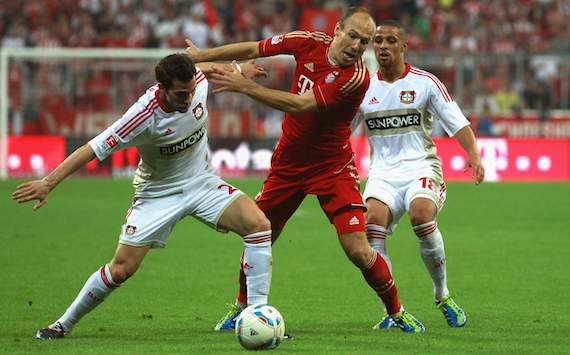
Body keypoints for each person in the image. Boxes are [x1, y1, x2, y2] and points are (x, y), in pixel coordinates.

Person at [186, 7, 425, 333]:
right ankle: (240, 307)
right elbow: (253, 47)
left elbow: (300, 104)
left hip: (332, 168)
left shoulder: (355, 78)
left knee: (357, 248)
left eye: (365, 41)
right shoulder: (305, 42)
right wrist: (203, 54)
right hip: (289, 165)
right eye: (353, 36)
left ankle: (396, 312)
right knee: (259, 234)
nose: (357, 46)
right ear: (337, 29)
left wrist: (244, 86)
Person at [11, 54, 274, 339]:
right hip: (157, 194)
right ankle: (62, 324)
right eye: (180, 94)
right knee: (122, 268)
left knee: (259, 225)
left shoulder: (196, 82)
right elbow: (93, 148)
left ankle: (257, 317)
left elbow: (205, 69)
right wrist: (49, 183)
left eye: (190, 92)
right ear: (161, 87)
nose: (188, 99)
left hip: (201, 182)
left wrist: (238, 69)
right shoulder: (142, 116)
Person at [353, 21, 485, 329]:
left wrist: (474, 154)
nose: (382, 46)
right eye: (378, 41)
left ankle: (442, 294)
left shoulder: (426, 82)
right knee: (372, 224)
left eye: (390, 41)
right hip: (383, 173)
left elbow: (458, 122)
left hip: (421, 167)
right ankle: (392, 312)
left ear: (403, 46)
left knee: (421, 215)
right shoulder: (364, 88)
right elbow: (340, 131)